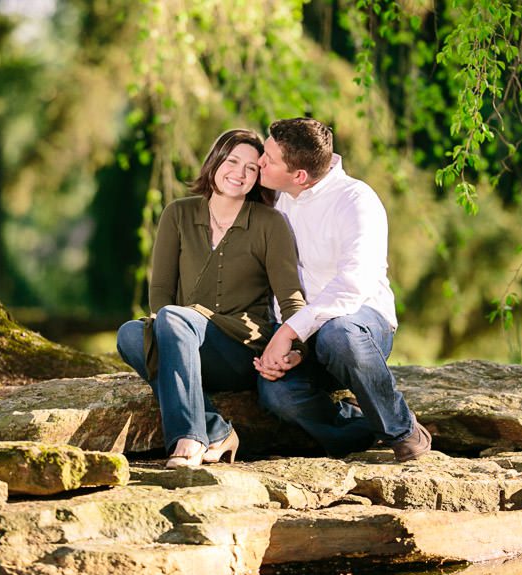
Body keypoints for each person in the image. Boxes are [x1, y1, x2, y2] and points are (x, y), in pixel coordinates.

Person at [116, 129, 306, 468]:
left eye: (251, 168)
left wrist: (295, 349)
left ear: (258, 177)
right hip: (183, 341)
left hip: (239, 351)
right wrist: (173, 331)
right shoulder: (178, 214)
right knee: (130, 333)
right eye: (233, 161)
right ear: (215, 161)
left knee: (172, 318)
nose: (240, 172)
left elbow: (291, 298)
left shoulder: (270, 223)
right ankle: (217, 430)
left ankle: (189, 439)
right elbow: (160, 292)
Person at [253, 117, 432, 461]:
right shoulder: (280, 198)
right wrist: (292, 344)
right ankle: (357, 426)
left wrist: (288, 332)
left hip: (361, 327)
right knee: (276, 395)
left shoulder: (356, 201)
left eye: (269, 159)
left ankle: (402, 430)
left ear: (300, 176)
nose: (261, 161)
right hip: (303, 333)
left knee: (340, 334)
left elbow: (352, 287)